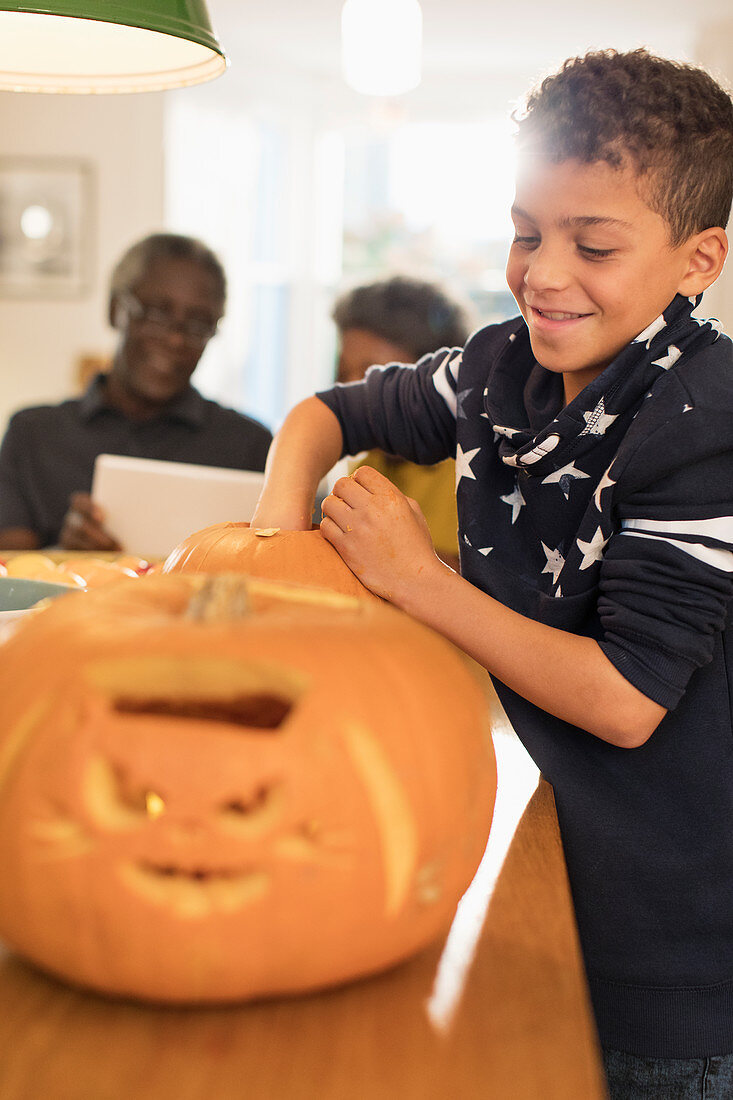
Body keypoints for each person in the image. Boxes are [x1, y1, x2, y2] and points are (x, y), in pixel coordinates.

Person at [251, 49, 733, 1098]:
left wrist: (414, 579)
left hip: (671, 939)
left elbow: (625, 701)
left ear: (697, 261)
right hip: (540, 852)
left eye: (592, 244)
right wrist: (271, 550)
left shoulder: (701, 423)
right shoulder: (493, 368)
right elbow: (321, 415)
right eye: (526, 232)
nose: (543, 273)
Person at [0, 233, 272, 551]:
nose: (175, 340)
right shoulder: (34, 435)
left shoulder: (249, 446)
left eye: (198, 323)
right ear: (116, 310)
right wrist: (65, 555)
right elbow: (8, 576)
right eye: (157, 313)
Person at [332, 275, 472, 567]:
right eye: (343, 371)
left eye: (374, 377)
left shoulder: (472, 470)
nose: (350, 390)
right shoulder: (367, 466)